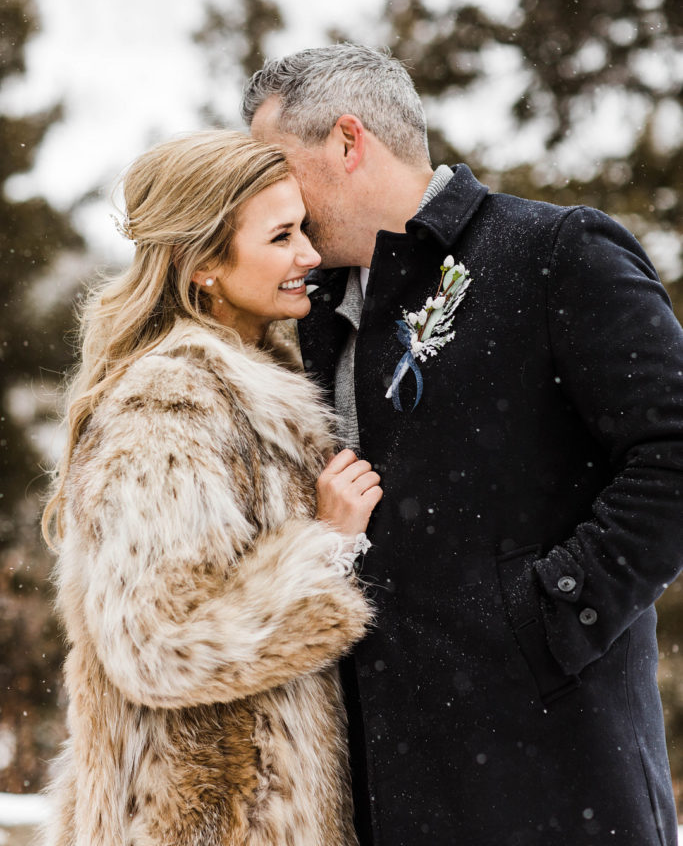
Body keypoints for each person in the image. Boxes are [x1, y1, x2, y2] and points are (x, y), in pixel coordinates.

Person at [243, 44, 683, 846]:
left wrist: (551, 617)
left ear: (348, 142)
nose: (271, 195)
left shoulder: (554, 254)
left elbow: (673, 450)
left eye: (276, 165)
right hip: (381, 792)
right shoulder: (303, 315)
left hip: (551, 776)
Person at [40, 130, 383, 846]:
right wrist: (325, 548)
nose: (310, 256)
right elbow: (157, 645)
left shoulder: (267, 381)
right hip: (199, 822)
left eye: (306, 230)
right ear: (202, 266)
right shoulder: (169, 404)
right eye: (282, 236)